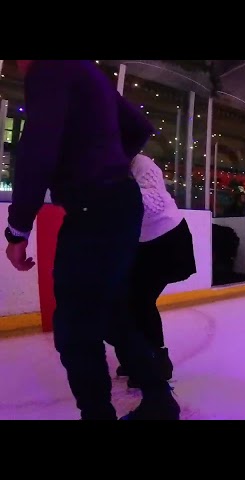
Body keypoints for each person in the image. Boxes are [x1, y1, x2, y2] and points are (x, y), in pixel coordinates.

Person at [4, 60, 179, 420]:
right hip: (116, 203)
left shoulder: (49, 69)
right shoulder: (84, 69)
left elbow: (37, 149)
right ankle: (159, 400)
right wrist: (107, 162)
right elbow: (137, 125)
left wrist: (18, 228)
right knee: (112, 313)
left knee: (74, 329)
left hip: (94, 209)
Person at [114, 154, 196, 389]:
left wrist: (115, 193)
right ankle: (137, 356)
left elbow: (153, 204)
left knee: (141, 299)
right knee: (130, 300)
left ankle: (157, 361)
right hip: (143, 244)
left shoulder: (140, 163)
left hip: (167, 241)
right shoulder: (112, 165)